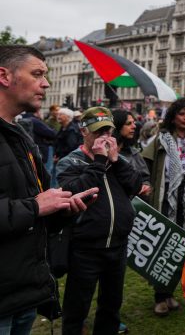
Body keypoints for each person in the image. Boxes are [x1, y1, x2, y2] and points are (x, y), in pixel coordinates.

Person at [0, 45, 97, 335]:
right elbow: (33, 205)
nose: (46, 83)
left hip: (24, 293)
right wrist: (37, 206)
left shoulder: (22, 137)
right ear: (4, 76)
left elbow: (39, 205)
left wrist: (62, 208)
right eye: (37, 74)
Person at [57, 107, 143, 335]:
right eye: (98, 131)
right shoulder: (71, 162)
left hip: (117, 245)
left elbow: (136, 186)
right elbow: (72, 192)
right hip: (85, 247)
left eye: (108, 131)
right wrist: (99, 161)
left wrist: (117, 162)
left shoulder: (119, 160)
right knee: (77, 308)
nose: (104, 137)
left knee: (111, 307)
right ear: (84, 131)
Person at [142, 98, 185, 316]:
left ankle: (170, 292)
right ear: (173, 116)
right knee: (161, 246)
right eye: (182, 114)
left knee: (180, 248)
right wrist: (149, 189)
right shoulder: (160, 141)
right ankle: (159, 297)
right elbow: (146, 167)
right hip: (163, 201)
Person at [112, 109, 152, 201]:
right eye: (128, 124)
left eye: (134, 123)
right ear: (117, 126)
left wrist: (145, 186)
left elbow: (145, 178)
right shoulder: (103, 152)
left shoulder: (134, 153)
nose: (134, 126)